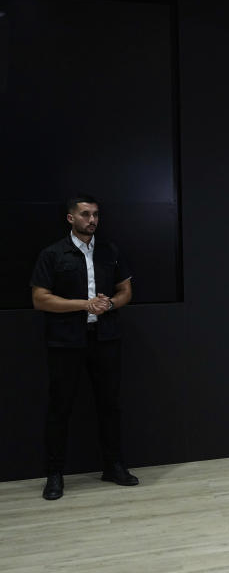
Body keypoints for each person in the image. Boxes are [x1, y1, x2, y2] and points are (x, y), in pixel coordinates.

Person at [30, 195, 139, 500]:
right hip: (66, 341)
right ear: (70, 218)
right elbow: (40, 299)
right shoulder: (53, 254)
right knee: (59, 408)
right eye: (85, 214)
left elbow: (125, 290)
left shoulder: (110, 250)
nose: (92, 220)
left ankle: (113, 466)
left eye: (96, 215)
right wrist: (84, 304)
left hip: (105, 338)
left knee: (109, 405)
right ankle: (54, 474)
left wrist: (110, 304)